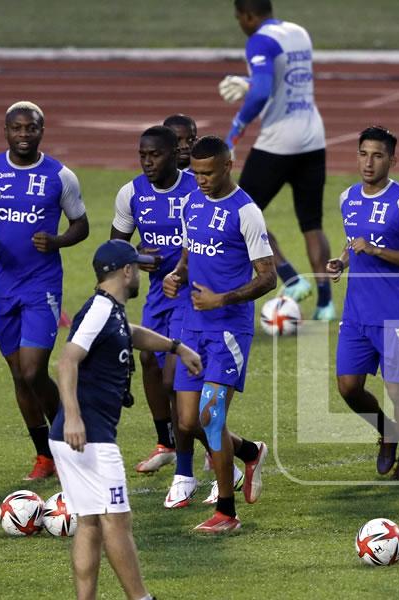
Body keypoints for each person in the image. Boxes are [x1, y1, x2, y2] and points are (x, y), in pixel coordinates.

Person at [52, 239, 201, 599]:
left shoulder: (109, 310)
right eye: (137, 267)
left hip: (70, 437)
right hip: (89, 436)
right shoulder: (101, 311)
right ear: (127, 271)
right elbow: (67, 360)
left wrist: (175, 347)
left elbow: (130, 333)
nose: (141, 274)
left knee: (89, 523)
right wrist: (74, 416)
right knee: (117, 522)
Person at [0, 101, 90, 480]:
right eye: (16, 129)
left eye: (30, 129)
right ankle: (44, 456)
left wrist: (57, 241)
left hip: (42, 285)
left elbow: (80, 225)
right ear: (5, 132)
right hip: (1, 285)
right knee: (19, 376)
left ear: (41, 131)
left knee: (34, 371)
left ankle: (68, 439)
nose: (23, 135)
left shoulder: (60, 176)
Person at [162, 136, 274, 533]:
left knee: (210, 418)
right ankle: (250, 451)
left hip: (228, 331)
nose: (201, 180)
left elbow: (268, 277)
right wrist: (177, 276)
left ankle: (227, 512)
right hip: (192, 326)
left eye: (208, 173)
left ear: (229, 165)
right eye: (195, 173)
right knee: (188, 421)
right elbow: (190, 255)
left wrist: (223, 299)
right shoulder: (191, 202)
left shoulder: (246, 212)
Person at [219, 0, 334, 320]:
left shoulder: (259, 40)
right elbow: (288, 80)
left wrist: (234, 133)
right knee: (312, 224)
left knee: (244, 213)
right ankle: (325, 303)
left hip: (278, 142)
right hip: (313, 136)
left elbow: (262, 93)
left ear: (248, 16)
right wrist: (248, 83)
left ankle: (291, 278)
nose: (240, 24)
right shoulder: (299, 32)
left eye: (239, 18)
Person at [325, 126, 399, 480]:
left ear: (392, 160)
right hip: (356, 313)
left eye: (377, 155)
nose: (369, 162)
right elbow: (354, 243)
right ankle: (388, 431)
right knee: (348, 387)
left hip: (395, 312)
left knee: (398, 390)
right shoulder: (347, 197)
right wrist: (342, 260)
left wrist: (376, 250)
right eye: (363, 153)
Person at [111, 126, 198, 474]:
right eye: (143, 155)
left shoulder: (196, 189)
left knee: (174, 376)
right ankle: (166, 442)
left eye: (155, 155)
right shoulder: (131, 192)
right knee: (148, 358)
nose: (148, 162)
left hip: (193, 292)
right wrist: (137, 254)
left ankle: (192, 457)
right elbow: (115, 250)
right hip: (159, 293)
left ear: (174, 153)